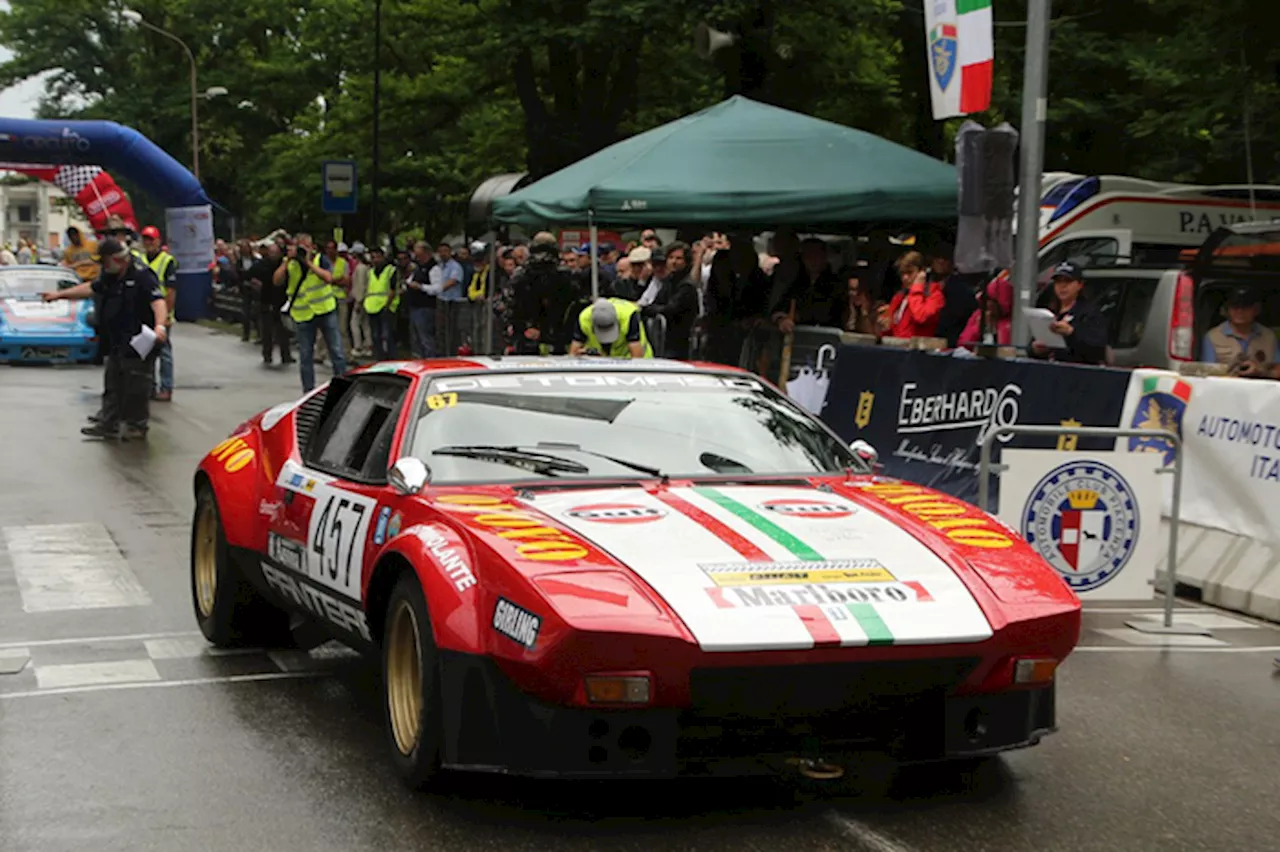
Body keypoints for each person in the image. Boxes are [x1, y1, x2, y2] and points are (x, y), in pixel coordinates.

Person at [43, 239, 166, 440]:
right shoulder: (111, 277)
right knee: (113, 384)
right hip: (117, 340)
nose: (103, 266)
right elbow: (91, 288)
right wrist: (59, 295)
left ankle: (136, 426)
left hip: (138, 342)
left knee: (137, 386)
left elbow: (158, 302)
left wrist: (160, 326)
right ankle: (109, 424)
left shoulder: (142, 276)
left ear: (119, 260)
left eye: (106, 261)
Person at [274, 234, 347, 391]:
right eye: (299, 246)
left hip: (325, 310)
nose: (302, 250)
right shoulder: (290, 263)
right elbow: (277, 280)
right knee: (306, 355)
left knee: (336, 351)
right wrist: (287, 260)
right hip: (303, 314)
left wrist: (307, 262)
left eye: (305, 246)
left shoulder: (320, 259)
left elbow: (328, 277)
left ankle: (342, 386)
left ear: (312, 246)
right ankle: (308, 390)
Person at [1028, 261, 1108, 365]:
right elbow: (1032, 347)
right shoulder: (1050, 312)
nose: (1063, 286)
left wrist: (1071, 333)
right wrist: (1036, 350)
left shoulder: (1090, 313)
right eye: (1058, 282)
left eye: (1068, 281)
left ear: (1080, 285)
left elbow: (1097, 350)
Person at [1200, 287, 1277, 375]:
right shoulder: (1213, 337)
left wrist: (1260, 371)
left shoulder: (1269, 336)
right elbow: (1207, 372)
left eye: (1246, 307)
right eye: (1235, 307)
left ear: (1256, 309)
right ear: (1227, 309)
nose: (1240, 311)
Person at [139, 226, 178, 401]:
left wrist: (167, 316)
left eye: (151, 239)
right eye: (145, 239)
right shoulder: (139, 259)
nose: (148, 243)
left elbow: (170, 291)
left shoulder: (167, 261)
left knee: (164, 352)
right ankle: (149, 387)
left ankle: (166, 387)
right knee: (145, 352)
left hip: (160, 312)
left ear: (158, 241)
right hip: (143, 312)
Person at [570, 297, 653, 358]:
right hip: (599, 364)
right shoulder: (584, 318)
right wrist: (582, 355)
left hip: (634, 361)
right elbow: (573, 354)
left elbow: (637, 358)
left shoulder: (628, 316)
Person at [363, 245, 401, 361]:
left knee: (387, 335)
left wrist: (387, 305)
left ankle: (392, 358)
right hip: (372, 307)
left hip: (386, 307)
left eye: (378, 257)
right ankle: (379, 358)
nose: (375, 260)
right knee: (375, 336)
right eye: (373, 257)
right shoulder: (370, 272)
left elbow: (393, 289)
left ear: (383, 257)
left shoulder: (390, 270)